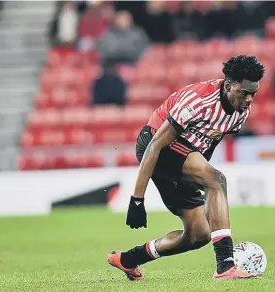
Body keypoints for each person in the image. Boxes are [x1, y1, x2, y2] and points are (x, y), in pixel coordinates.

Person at [107, 55, 265, 280]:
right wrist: (136, 200)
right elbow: (154, 145)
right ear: (229, 85)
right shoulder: (198, 101)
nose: (249, 99)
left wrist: (197, 177)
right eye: (244, 93)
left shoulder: (240, 114)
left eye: (253, 94)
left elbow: (210, 141)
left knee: (199, 234)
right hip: (157, 146)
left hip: (185, 152)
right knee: (216, 179)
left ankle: (129, 259)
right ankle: (225, 266)